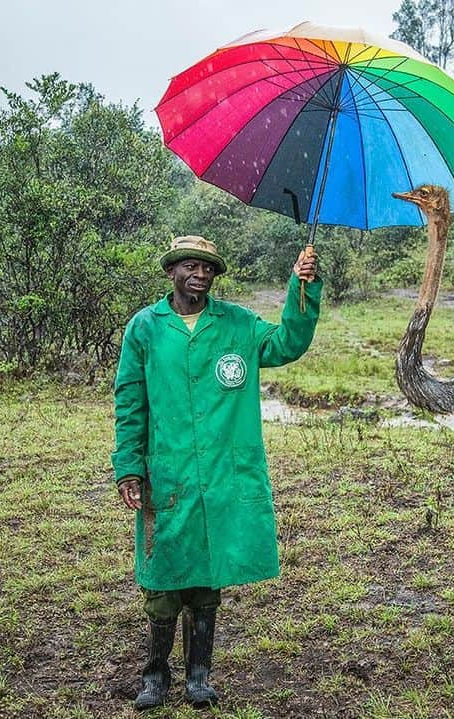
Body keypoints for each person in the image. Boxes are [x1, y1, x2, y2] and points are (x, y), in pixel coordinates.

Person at [111, 235, 320, 710]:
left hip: (223, 473)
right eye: (191, 266)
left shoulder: (238, 324)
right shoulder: (145, 328)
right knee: (162, 578)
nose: (200, 274)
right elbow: (130, 402)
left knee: (208, 576)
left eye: (208, 268)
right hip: (167, 474)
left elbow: (287, 341)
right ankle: (155, 676)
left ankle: (199, 676)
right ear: (171, 272)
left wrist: (302, 288)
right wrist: (128, 467)